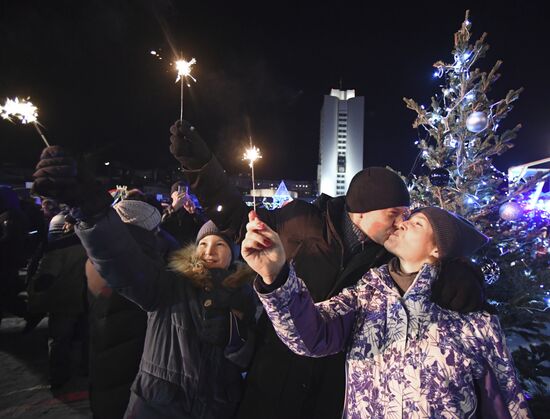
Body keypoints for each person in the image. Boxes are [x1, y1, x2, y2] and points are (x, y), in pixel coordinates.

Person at [168, 120, 486, 418]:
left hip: (336, 391)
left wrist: (460, 271)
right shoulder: (299, 220)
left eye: (406, 214)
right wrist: (201, 167)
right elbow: (237, 218)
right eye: (394, 213)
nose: (401, 221)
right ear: (362, 211)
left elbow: (433, 255)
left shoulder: (388, 259)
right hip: (275, 375)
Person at [31, 145, 258, 419]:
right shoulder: (170, 283)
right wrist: (90, 209)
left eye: (219, 245)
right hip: (158, 407)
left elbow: (249, 357)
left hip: (216, 407)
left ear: (233, 253)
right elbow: (120, 260)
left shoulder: (246, 293)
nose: (209, 251)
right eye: (204, 243)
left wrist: (235, 338)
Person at [242, 208, 532, 418]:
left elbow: (504, 399)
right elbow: (311, 336)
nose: (403, 224)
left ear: (436, 250)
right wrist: (276, 275)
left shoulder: (472, 317)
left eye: (417, 223)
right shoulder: (366, 293)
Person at [27, 212, 89, 389]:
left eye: (67, 224)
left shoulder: (58, 247)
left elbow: (46, 277)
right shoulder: (98, 244)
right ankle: (87, 368)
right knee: (89, 336)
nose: (64, 226)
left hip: (64, 300)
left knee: (59, 339)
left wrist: (35, 294)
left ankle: (59, 375)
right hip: (91, 298)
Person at [161, 180, 206, 246]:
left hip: (187, 251)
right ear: (172, 195)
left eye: (184, 193)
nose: (181, 195)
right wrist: (173, 208)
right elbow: (161, 226)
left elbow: (204, 229)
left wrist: (194, 212)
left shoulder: (194, 210)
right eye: (178, 193)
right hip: (169, 249)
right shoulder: (163, 209)